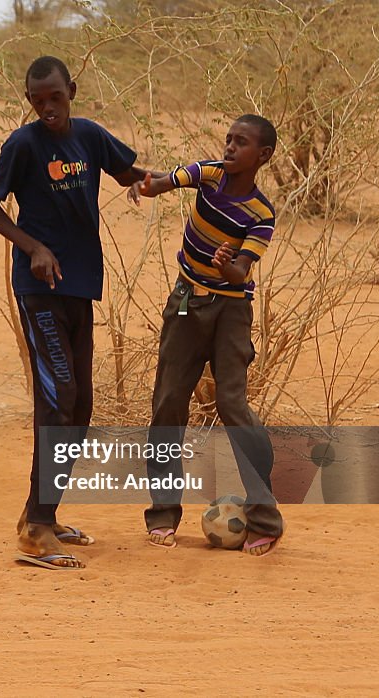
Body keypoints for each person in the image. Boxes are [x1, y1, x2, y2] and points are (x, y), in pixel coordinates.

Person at [0, 56, 155, 570]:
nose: (47, 107)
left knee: (80, 406)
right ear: (29, 99)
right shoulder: (23, 144)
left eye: (55, 97)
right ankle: (35, 528)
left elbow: (130, 176)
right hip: (40, 289)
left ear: (71, 90)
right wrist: (31, 246)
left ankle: (41, 515)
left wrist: (192, 181)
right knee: (60, 398)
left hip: (80, 284)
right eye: (37, 100)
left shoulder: (91, 137)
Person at [134, 114, 285, 556]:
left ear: (263, 156)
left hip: (231, 310)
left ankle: (264, 518)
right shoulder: (209, 174)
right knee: (167, 402)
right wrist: (147, 185)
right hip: (186, 303)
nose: (231, 147)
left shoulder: (261, 213)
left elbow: (242, 271)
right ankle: (163, 513)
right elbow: (167, 181)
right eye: (229, 139)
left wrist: (227, 266)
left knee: (232, 404)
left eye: (242, 143)